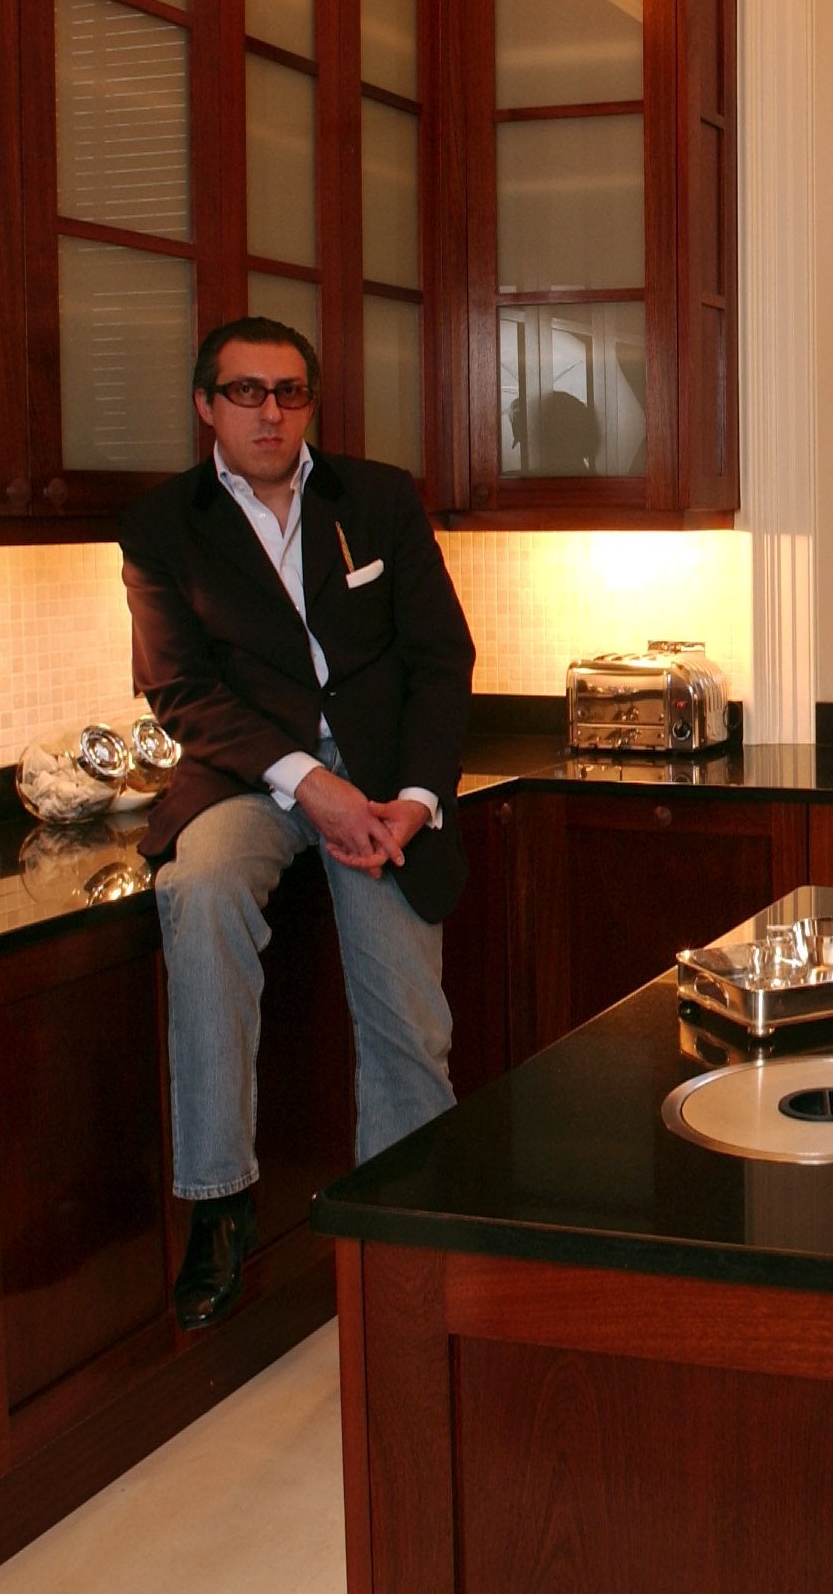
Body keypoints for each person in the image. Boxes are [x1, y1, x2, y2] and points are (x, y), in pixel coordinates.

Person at [119, 316, 476, 1330]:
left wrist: (412, 797)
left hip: (382, 784)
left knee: (409, 1020)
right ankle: (220, 1200)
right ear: (206, 405)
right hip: (247, 777)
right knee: (199, 887)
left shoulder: (376, 496)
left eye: (288, 392)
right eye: (245, 392)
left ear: (310, 403)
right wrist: (305, 785)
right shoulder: (160, 525)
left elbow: (440, 658)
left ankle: (404, 1255)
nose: (268, 412)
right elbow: (178, 688)